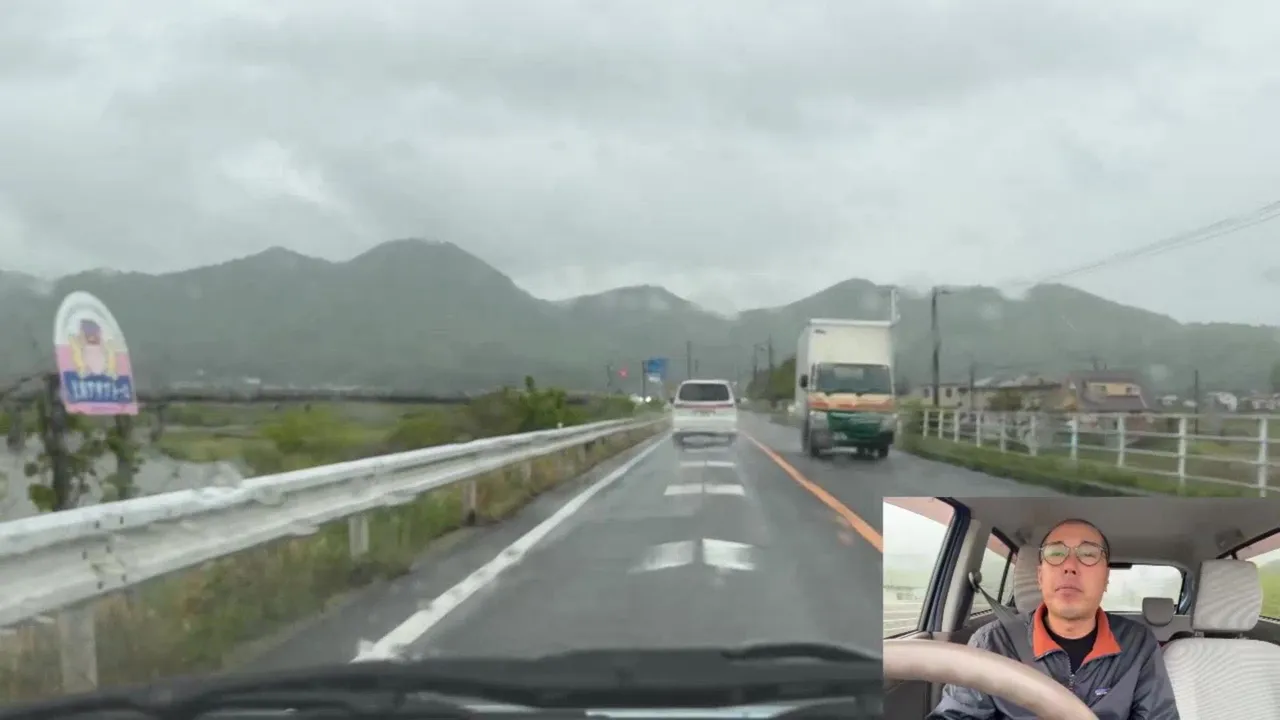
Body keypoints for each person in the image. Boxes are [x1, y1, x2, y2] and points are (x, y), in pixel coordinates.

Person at [928, 518, 1180, 719]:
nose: (1070, 566)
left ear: (1106, 579)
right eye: (1056, 553)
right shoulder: (992, 643)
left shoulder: (1137, 644)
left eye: (1089, 554)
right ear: (1040, 576)